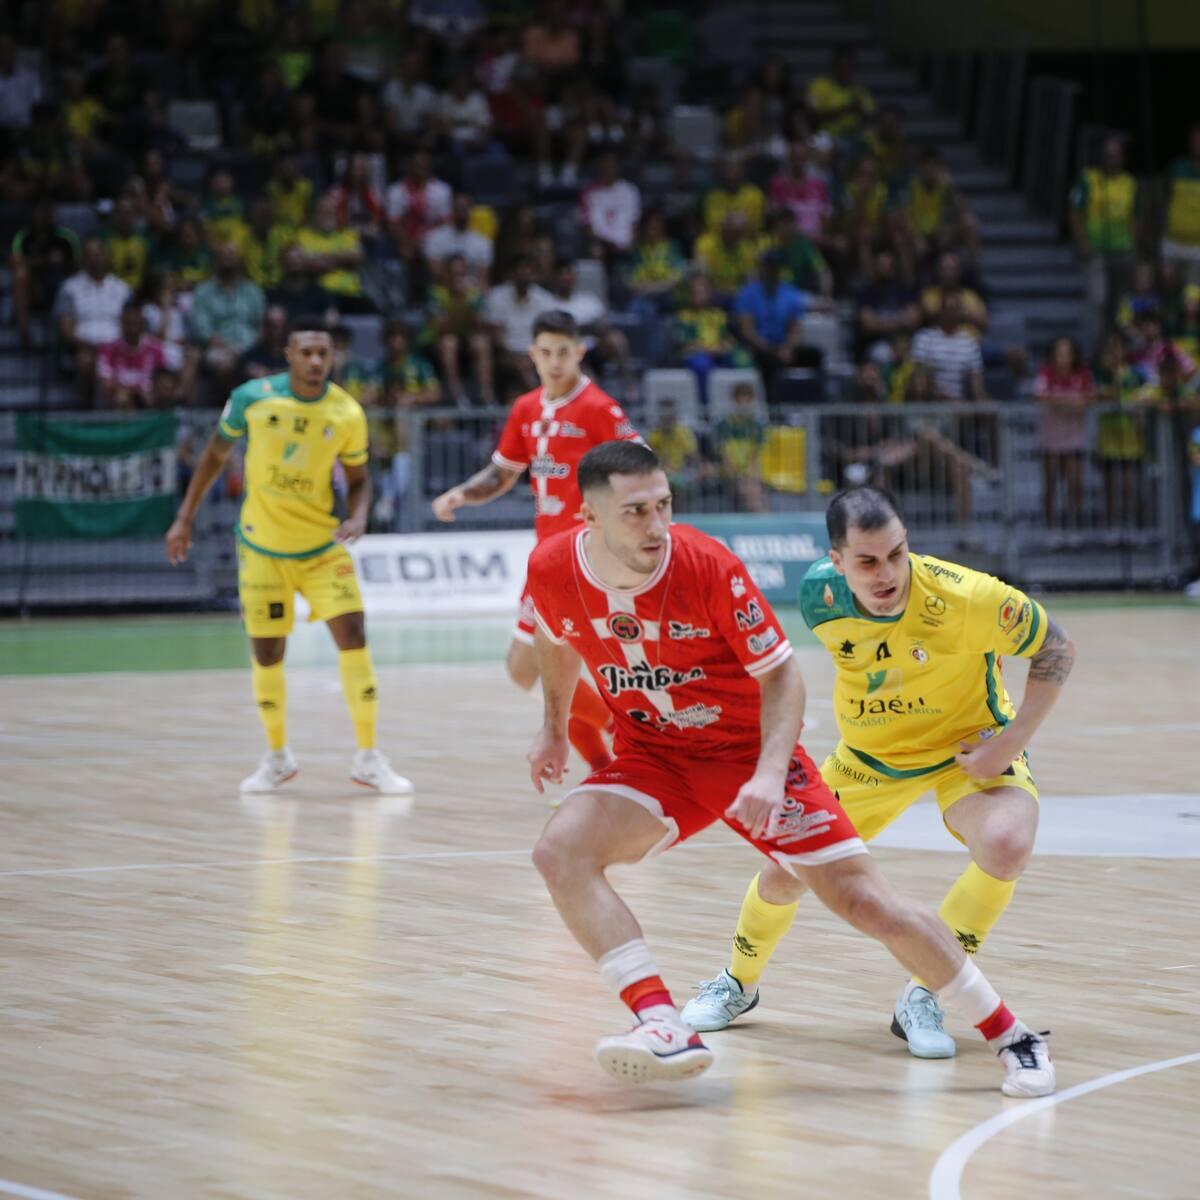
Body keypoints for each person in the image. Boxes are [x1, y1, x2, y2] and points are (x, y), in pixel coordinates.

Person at [527, 445, 1055, 1095]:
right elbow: (555, 635)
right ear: (589, 516)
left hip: (746, 753)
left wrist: (770, 772)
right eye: (636, 511)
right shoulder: (551, 567)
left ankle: (1012, 1035)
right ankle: (663, 1022)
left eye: (664, 504)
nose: (657, 524)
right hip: (654, 755)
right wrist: (553, 727)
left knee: (866, 903)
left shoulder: (706, 566)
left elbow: (782, 674)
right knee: (560, 852)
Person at [680, 485, 1074, 1066]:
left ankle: (924, 992)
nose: (887, 573)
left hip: (967, 748)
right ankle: (738, 981)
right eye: (867, 561)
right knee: (784, 872)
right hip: (869, 758)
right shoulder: (818, 597)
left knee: (1007, 842)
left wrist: (1009, 744)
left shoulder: (967, 598)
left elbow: (1057, 650)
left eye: (896, 553)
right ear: (836, 562)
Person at [165, 315, 411, 796]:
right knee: (267, 654)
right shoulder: (252, 399)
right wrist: (184, 517)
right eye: (307, 352)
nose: (316, 361)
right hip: (262, 550)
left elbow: (359, 480)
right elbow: (214, 455)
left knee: (354, 636)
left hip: (321, 548)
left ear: (332, 357)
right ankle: (276, 757)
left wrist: (359, 516)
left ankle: (369, 757)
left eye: (324, 353)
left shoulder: (346, 412)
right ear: (290, 356)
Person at [431, 310, 641, 775]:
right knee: (544, 670)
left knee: (530, 668)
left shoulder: (599, 408)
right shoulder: (526, 408)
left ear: (579, 352)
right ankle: (607, 766)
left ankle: (621, 736)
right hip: (546, 560)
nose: (555, 362)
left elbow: (641, 467)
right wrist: (462, 494)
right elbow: (503, 472)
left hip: (588, 557)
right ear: (532, 355)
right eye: (546, 353)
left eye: (564, 352)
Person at [1034, 338, 1094, 532]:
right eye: (1059, 353)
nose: (1063, 358)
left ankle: (1073, 527)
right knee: (1050, 484)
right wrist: (1069, 402)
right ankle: (1050, 529)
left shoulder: (1083, 374)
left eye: (1067, 353)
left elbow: (1088, 399)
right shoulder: (1046, 372)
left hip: (1074, 438)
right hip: (1051, 438)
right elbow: (1040, 397)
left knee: (1075, 484)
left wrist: (1058, 402)